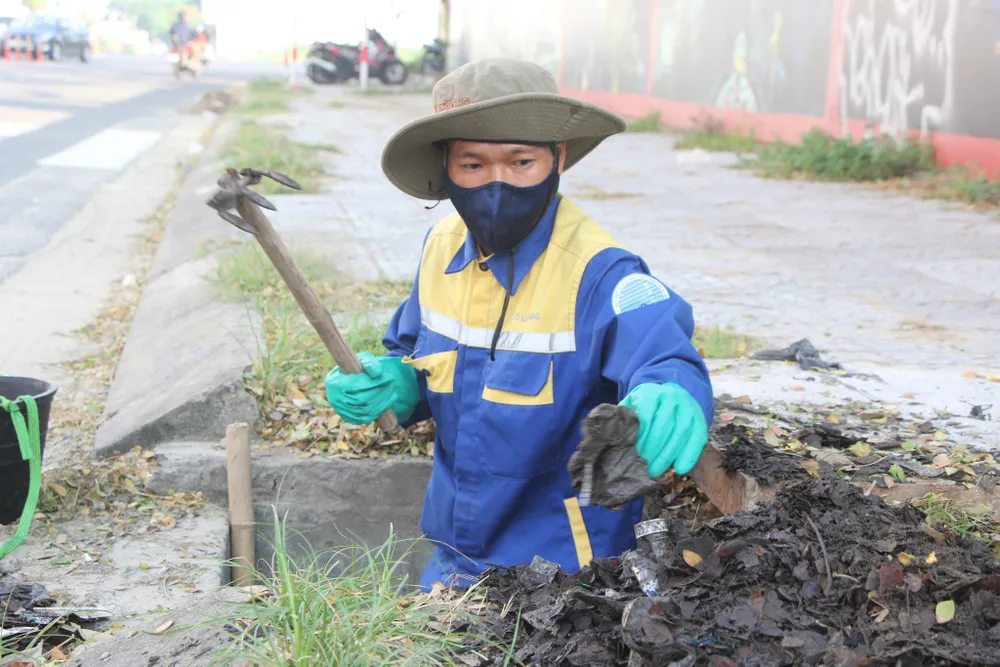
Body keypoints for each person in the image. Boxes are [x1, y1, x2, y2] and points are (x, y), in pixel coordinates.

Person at [325, 58, 714, 591]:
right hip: (453, 556)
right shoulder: (439, 248)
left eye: (521, 162)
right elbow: (414, 356)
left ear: (558, 159)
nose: (497, 184)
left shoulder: (599, 271)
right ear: (445, 167)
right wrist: (395, 383)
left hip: (567, 578)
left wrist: (669, 392)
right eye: (473, 165)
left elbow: (660, 351)